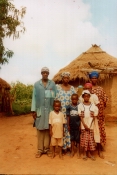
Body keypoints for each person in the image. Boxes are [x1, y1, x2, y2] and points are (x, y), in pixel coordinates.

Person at [31, 67, 56, 158]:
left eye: (46, 72)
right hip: (39, 110)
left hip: (49, 110)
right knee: (40, 129)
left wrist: (54, 110)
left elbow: (54, 98)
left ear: (48, 74)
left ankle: (47, 149)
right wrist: (33, 110)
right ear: (41, 73)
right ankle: (40, 150)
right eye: (43, 72)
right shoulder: (37, 84)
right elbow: (34, 97)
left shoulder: (52, 84)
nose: (45, 74)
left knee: (48, 129)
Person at [89, 71, 108, 159]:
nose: (94, 79)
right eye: (93, 78)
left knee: (99, 129)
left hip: (99, 114)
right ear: (90, 79)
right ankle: (92, 147)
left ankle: (100, 147)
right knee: (91, 129)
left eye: (95, 78)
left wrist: (101, 108)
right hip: (90, 114)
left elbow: (105, 99)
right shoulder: (88, 89)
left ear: (97, 79)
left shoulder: (100, 89)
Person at [56, 72, 76, 154]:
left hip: (70, 112)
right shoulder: (58, 88)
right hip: (61, 112)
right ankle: (62, 147)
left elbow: (75, 98)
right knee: (62, 129)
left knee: (69, 128)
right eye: (64, 78)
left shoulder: (72, 88)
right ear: (62, 78)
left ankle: (69, 147)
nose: (66, 79)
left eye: (67, 78)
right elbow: (55, 99)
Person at [78, 90, 99, 161]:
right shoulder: (80, 106)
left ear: (89, 97)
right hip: (84, 125)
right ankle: (84, 153)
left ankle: (90, 153)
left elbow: (94, 116)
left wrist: (89, 126)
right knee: (84, 140)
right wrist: (84, 125)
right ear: (83, 97)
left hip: (91, 126)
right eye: (85, 96)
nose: (86, 98)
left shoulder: (93, 106)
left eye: (88, 96)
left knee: (90, 140)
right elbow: (81, 116)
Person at [66, 93, 81, 158]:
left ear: (77, 99)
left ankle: (78, 151)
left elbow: (80, 117)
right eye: (73, 99)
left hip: (77, 125)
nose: (74, 100)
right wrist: (68, 125)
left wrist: (80, 125)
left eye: (76, 99)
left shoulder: (79, 106)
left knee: (78, 139)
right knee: (72, 139)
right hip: (71, 125)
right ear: (71, 99)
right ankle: (72, 151)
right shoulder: (69, 107)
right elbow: (68, 117)